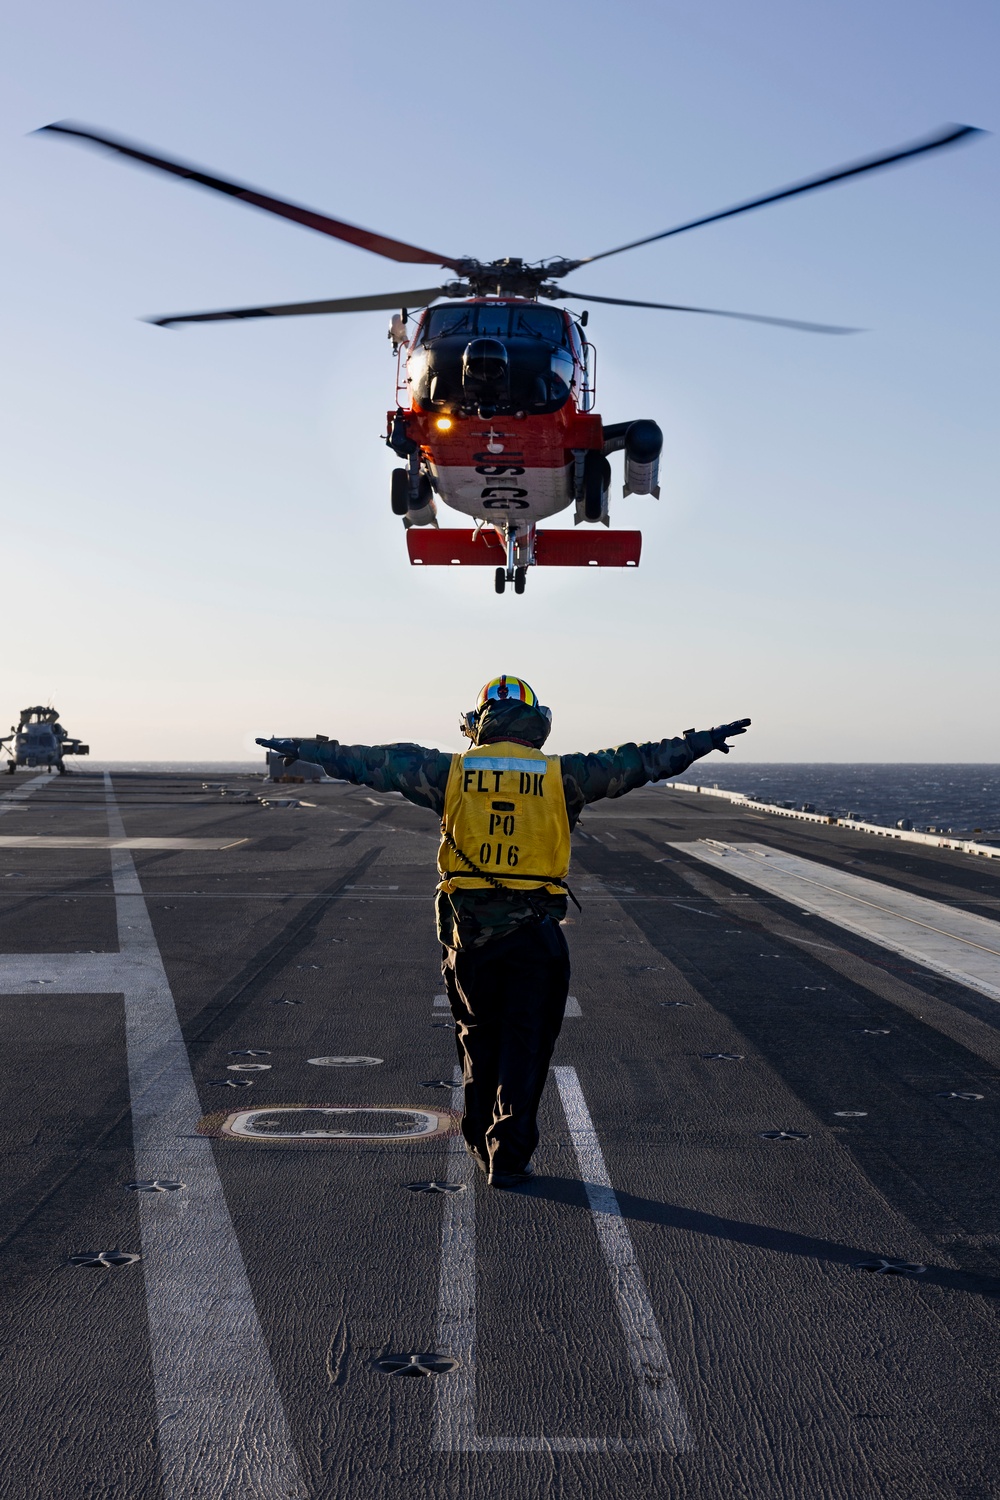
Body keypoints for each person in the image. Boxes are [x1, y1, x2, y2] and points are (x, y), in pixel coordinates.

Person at [257, 678, 749, 1188]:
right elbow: (640, 761)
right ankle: (508, 1158)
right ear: (538, 721)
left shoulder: (451, 771)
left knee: (477, 1041)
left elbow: (370, 762)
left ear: (480, 720)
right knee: (527, 1045)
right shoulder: (564, 775)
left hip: (469, 937)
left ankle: (477, 1140)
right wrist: (701, 741)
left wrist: (306, 749)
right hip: (535, 935)